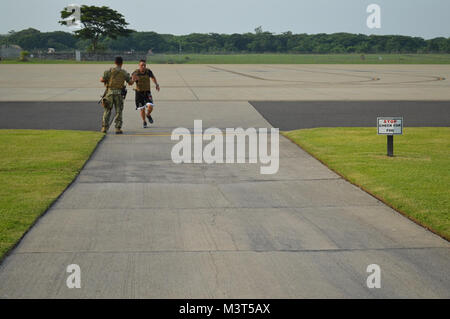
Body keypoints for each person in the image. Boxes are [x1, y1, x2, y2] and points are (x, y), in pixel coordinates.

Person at [100, 56, 134, 134]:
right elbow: (130, 83)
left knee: (107, 110)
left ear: (115, 62)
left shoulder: (109, 71)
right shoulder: (124, 72)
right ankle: (118, 128)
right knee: (119, 111)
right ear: (122, 63)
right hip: (119, 94)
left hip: (110, 93)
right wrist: (134, 79)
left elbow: (102, 80)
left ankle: (104, 127)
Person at [131, 59, 160, 128]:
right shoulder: (135, 73)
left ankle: (148, 114)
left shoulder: (148, 71)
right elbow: (131, 82)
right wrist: (133, 79)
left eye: (144, 65)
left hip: (147, 92)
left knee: (150, 106)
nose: (143, 66)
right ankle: (144, 121)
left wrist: (156, 84)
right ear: (139, 65)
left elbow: (153, 77)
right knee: (142, 109)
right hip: (139, 93)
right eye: (141, 65)